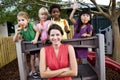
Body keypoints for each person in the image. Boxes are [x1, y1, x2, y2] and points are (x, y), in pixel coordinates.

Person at [13, 11, 40, 78]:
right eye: (19, 20)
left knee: (40, 56)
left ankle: (41, 68)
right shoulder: (21, 29)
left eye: (23, 20)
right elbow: (14, 40)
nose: (21, 22)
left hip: (37, 43)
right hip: (30, 46)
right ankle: (33, 71)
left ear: (27, 20)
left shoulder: (31, 24)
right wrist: (16, 33)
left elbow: (38, 31)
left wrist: (36, 39)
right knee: (32, 58)